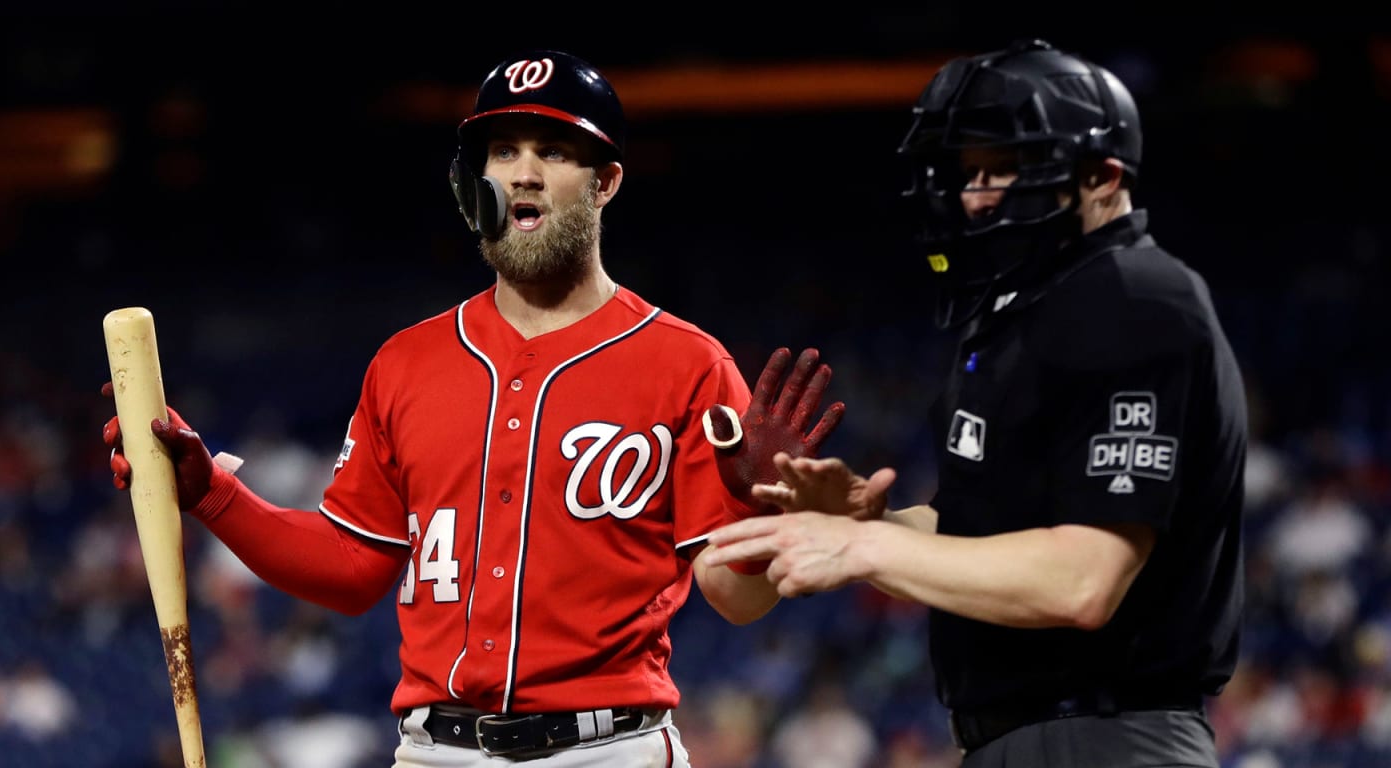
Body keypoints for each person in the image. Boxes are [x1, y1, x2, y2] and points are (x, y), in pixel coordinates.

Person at [102, 49, 844, 766]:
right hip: (434, 753)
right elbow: (353, 564)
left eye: (555, 151)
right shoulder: (407, 362)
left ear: (606, 181)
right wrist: (212, 496)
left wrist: (757, 516)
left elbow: (736, 600)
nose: (524, 171)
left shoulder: (686, 364)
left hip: (610, 751)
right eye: (503, 150)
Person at [705, 38, 1247, 766]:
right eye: (967, 173)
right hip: (1020, 739)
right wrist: (869, 524)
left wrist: (867, 546)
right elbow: (985, 533)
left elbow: (1082, 580)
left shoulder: (1133, 299)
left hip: (1110, 737)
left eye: (1004, 167)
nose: (974, 195)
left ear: (1102, 176)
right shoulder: (1023, 318)